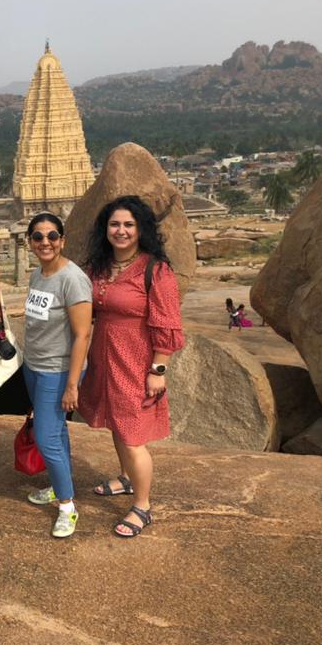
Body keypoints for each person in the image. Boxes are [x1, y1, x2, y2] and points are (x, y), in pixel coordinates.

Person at [80, 195, 184, 539]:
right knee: (115, 420)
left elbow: (167, 324)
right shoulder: (99, 266)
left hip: (136, 360)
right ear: (105, 229)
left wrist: (159, 370)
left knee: (132, 432)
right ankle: (126, 478)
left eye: (128, 225)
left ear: (140, 230)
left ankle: (142, 505)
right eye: (114, 224)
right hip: (104, 356)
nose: (121, 231)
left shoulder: (156, 270)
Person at [21, 213, 92, 538]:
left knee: (47, 438)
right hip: (35, 366)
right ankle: (58, 484)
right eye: (38, 237)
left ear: (62, 240)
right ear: (30, 242)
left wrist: (72, 385)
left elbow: (82, 335)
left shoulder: (72, 279)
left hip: (58, 371)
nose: (45, 242)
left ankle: (67, 506)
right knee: (56, 433)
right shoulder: (39, 274)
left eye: (52, 236)